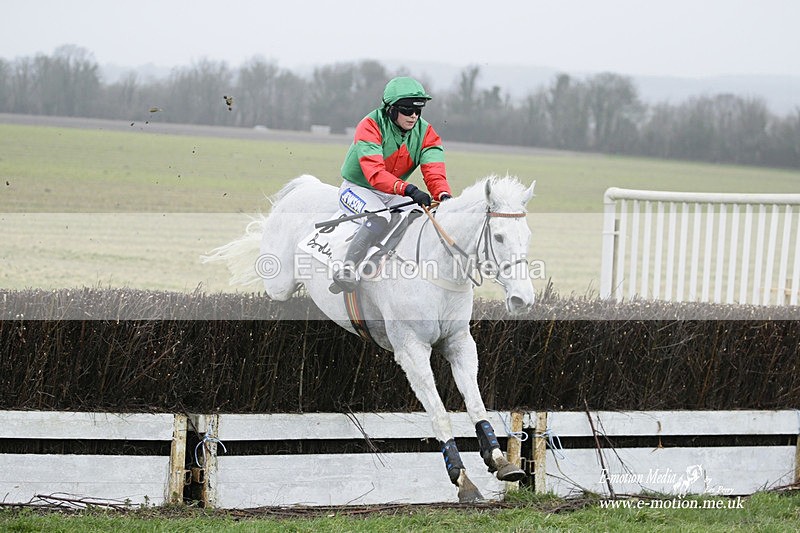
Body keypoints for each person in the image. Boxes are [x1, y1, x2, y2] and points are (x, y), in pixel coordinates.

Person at [330, 76, 453, 294]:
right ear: (391, 109)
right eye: (407, 110)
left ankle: (379, 259)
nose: (414, 115)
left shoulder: (426, 133)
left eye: (418, 110)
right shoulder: (370, 126)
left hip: (391, 190)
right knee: (380, 216)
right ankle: (346, 270)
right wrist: (409, 189)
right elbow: (375, 174)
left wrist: (443, 195)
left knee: (417, 212)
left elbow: (434, 169)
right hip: (358, 188)